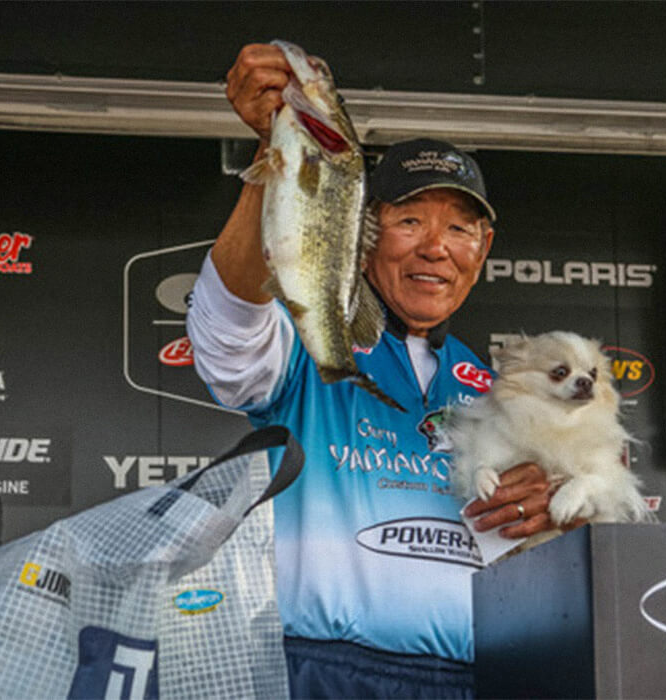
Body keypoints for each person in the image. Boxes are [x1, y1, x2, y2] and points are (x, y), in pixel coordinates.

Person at [186, 43, 566, 698]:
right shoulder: (310, 341)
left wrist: (554, 512)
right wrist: (278, 155)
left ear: (485, 250)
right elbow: (225, 333)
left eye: (461, 229)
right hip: (317, 670)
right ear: (364, 231)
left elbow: (532, 554)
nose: (436, 249)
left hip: (470, 680)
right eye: (410, 220)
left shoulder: (497, 389)